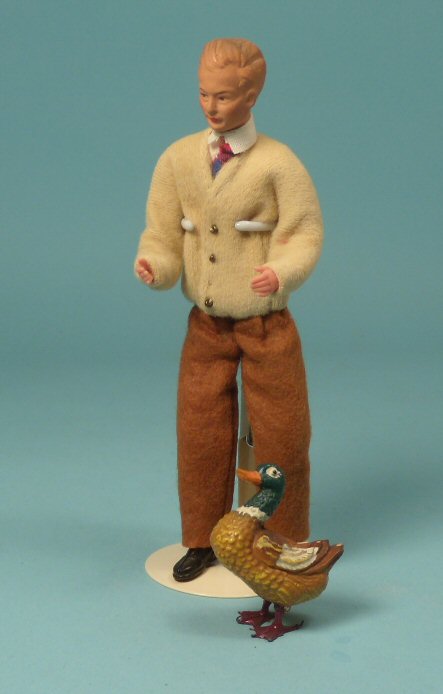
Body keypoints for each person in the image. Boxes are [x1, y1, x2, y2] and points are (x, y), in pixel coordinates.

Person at [135, 38, 323, 582]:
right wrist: (156, 265)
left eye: (222, 96)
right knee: (200, 431)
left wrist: (281, 271)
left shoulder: (277, 163)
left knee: (282, 432)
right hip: (207, 325)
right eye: (203, 94)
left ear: (251, 96)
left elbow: (304, 231)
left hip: (267, 324)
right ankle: (202, 538)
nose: (210, 106)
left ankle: (282, 540)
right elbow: (163, 231)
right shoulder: (178, 158)